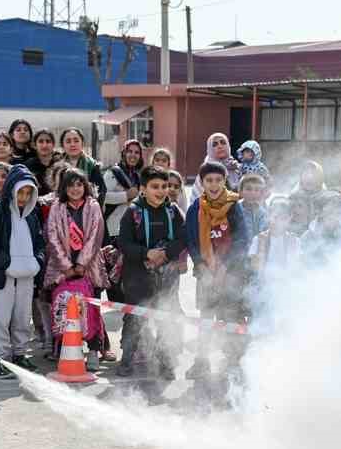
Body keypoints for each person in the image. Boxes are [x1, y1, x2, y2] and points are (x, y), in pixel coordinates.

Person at [113, 167, 186, 379]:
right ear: (143, 189)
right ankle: (126, 360)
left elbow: (182, 238)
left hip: (167, 276)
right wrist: (147, 253)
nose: (161, 191)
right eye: (155, 186)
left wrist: (166, 253)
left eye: (165, 186)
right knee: (134, 319)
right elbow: (124, 243)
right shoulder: (132, 212)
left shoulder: (173, 212)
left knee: (166, 321)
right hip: (137, 276)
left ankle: (166, 362)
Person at [0, 165, 45, 378]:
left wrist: (38, 262)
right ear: (11, 190)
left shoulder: (32, 215)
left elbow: (39, 243)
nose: (24, 197)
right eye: (20, 192)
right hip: (3, 276)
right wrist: (6, 264)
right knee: (1, 318)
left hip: (26, 277)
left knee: (23, 318)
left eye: (28, 193)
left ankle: (20, 354)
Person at [184, 160, 250, 380]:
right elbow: (192, 241)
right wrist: (201, 266)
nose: (213, 185)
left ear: (225, 181)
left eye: (218, 180)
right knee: (205, 318)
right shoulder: (195, 208)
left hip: (231, 273)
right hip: (205, 274)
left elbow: (242, 239)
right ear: (202, 183)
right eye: (209, 180)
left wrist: (225, 266)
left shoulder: (234, 206)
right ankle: (201, 362)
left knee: (230, 318)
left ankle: (231, 362)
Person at [43, 167, 108, 366]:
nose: (75, 188)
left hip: (89, 268)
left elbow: (96, 236)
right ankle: (66, 348)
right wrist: (67, 266)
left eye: (79, 184)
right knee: (63, 308)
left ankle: (94, 351)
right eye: (70, 185)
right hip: (62, 269)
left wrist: (81, 264)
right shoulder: (57, 207)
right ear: (64, 188)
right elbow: (52, 236)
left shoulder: (93, 206)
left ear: (85, 186)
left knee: (91, 310)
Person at [104, 139, 146, 241]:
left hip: (133, 228)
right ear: (124, 153)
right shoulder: (113, 172)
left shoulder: (137, 176)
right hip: (114, 228)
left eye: (137, 152)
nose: (133, 155)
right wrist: (126, 195)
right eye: (129, 151)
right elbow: (103, 196)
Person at [59, 128, 106, 206]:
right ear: (62, 145)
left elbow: (101, 193)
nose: (72, 144)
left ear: (82, 143)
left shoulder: (92, 166)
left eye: (76, 141)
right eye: (68, 141)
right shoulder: (57, 167)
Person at [287, 161, 330, 234]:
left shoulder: (326, 199)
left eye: (313, 174)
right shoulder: (293, 197)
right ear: (301, 177)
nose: (309, 177)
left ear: (320, 178)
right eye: (306, 173)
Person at [238, 173, 270, 237]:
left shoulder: (263, 213)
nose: (252, 193)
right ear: (240, 192)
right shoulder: (234, 209)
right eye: (248, 189)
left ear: (261, 193)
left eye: (257, 190)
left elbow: (263, 233)